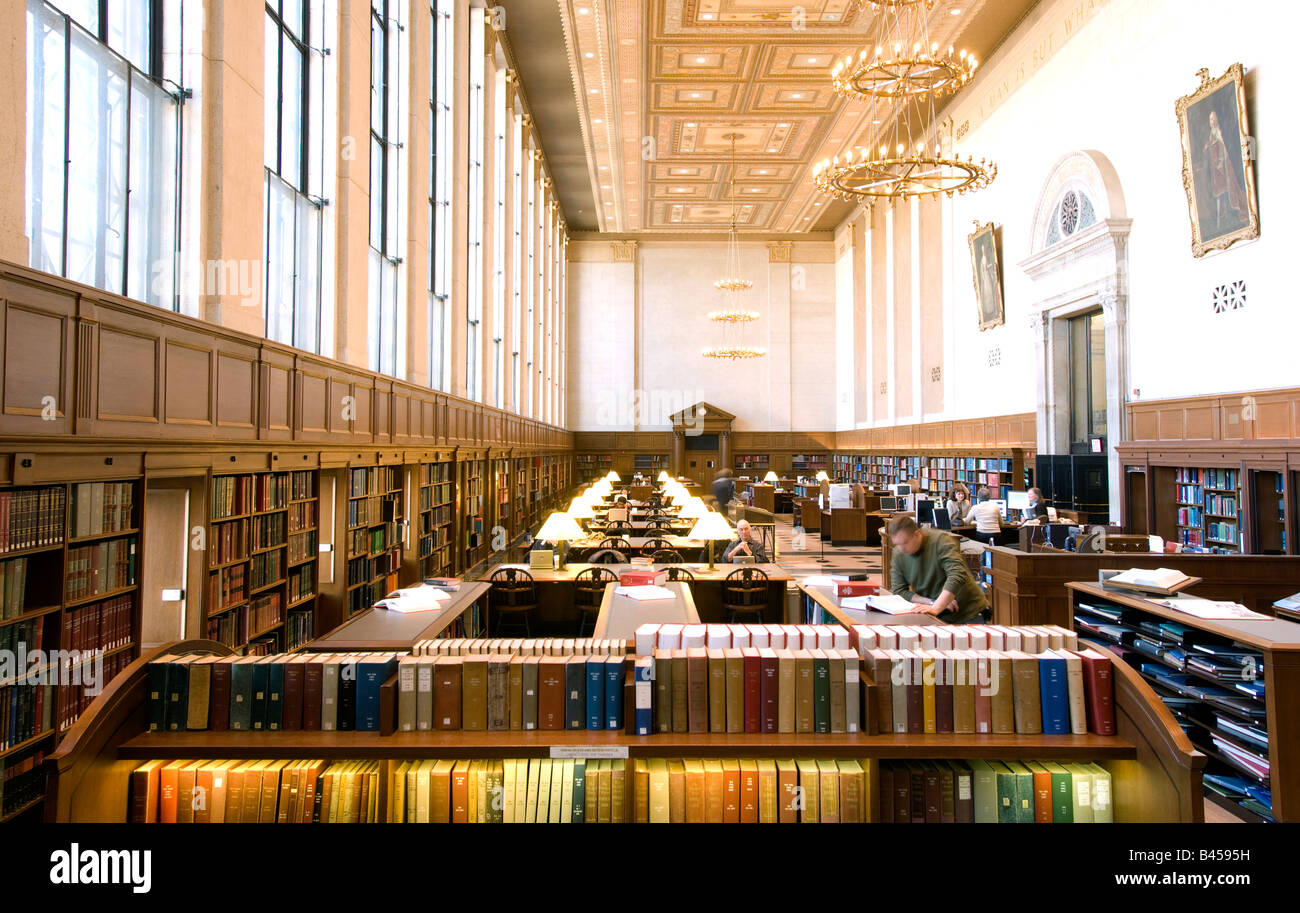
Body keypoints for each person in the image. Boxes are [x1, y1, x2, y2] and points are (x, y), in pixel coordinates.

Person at [887, 514, 988, 623]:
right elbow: (899, 590)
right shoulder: (899, 553)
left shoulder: (940, 540)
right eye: (897, 544)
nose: (902, 549)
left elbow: (957, 574)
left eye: (905, 543)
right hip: (938, 615)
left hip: (968, 612)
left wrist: (936, 607)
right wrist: (932, 602)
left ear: (917, 534)